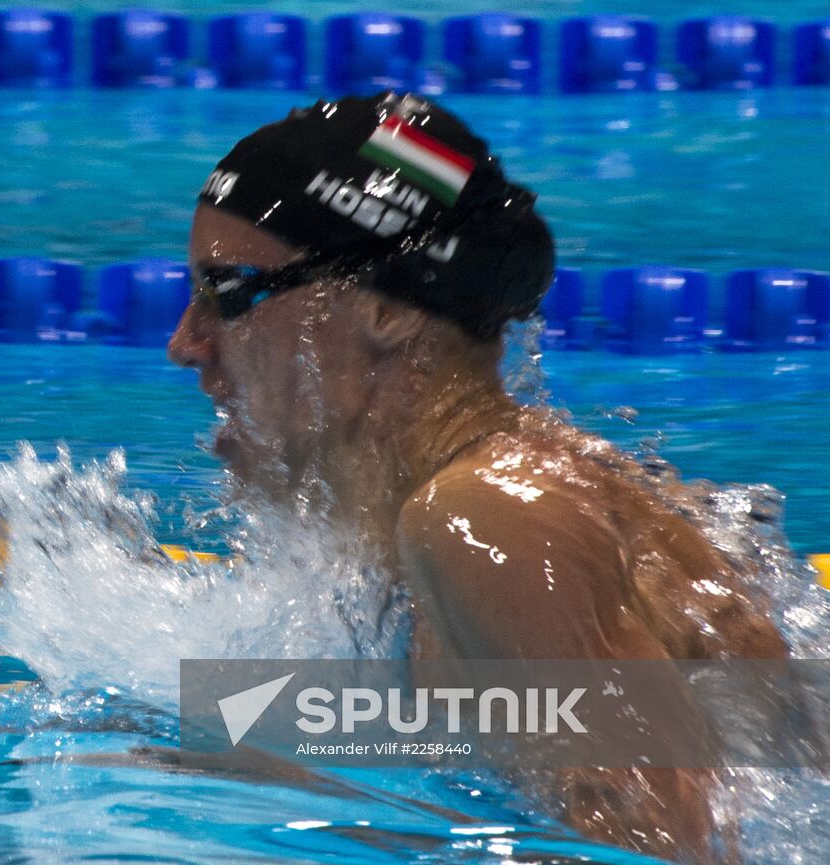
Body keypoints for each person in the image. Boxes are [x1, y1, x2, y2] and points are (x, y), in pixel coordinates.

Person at [167, 92, 790, 865]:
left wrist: (279, 803)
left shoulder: (482, 519)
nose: (187, 344)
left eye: (227, 294)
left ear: (387, 308)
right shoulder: (483, 495)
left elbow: (662, 851)